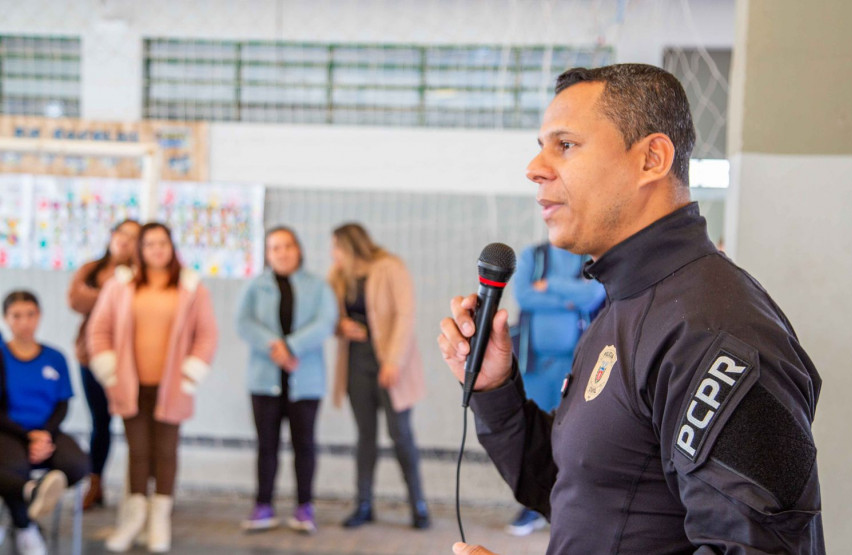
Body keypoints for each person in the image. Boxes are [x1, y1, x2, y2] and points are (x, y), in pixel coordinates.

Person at [438, 64, 824, 554]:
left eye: (566, 145)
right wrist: (495, 388)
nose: (535, 167)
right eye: (541, 146)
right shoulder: (625, 303)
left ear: (651, 159)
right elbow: (582, 489)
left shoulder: (713, 327)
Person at [88, 222, 218, 553]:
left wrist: (190, 375)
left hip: (172, 386)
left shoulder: (191, 287)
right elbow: (98, 330)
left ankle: (159, 521)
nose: (157, 250)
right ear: (140, 250)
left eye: (163, 243)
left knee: (166, 452)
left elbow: (206, 335)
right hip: (132, 384)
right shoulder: (120, 286)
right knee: (138, 451)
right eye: (150, 244)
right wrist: (110, 371)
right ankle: (132, 520)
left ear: (172, 247)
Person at [328, 223, 430, 530]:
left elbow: (405, 314)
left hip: (390, 363)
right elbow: (329, 317)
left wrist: (393, 361)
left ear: (350, 246)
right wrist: (340, 327)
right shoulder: (337, 276)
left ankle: (418, 505)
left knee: (401, 435)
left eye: (336, 247)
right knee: (365, 437)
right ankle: (364, 504)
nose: (332, 254)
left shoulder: (390, 267)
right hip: (356, 363)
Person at [236, 226, 338, 533]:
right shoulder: (255, 287)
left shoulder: (318, 286)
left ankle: (304, 507)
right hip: (264, 380)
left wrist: (291, 346)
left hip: (305, 381)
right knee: (266, 445)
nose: (282, 252)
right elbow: (243, 323)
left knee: (304, 445)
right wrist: (275, 347)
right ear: (267, 254)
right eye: (275, 247)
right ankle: (263, 505)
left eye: (288, 246)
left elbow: (325, 322)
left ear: (299, 249)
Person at [505, 242, 604, 536]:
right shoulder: (532, 256)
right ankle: (533, 507)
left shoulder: (591, 256)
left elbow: (593, 295)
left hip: (575, 368)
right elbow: (522, 295)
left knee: (571, 436)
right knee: (533, 435)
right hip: (533, 366)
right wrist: (569, 297)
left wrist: (548, 285)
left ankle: (569, 508)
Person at [0, 290, 89, 555]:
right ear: (6, 319)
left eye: (30, 314)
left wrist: (43, 435)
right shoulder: (1, 357)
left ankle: (33, 497)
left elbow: (63, 403)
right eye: (17, 316)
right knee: (12, 467)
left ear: (39, 317)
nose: (24, 322)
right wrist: (29, 437)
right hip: (9, 430)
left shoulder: (55, 357)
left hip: (47, 429)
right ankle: (25, 524)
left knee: (77, 464)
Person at [67, 218, 141, 510]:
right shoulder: (92, 269)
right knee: (100, 423)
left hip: (131, 361)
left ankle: (139, 492)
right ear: (112, 235)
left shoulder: (142, 274)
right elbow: (75, 299)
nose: (125, 240)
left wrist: (105, 298)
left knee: (136, 425)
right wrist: (114, 294)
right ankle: (94, 483)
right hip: (92, 357)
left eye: (134, 236)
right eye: (122, 233)